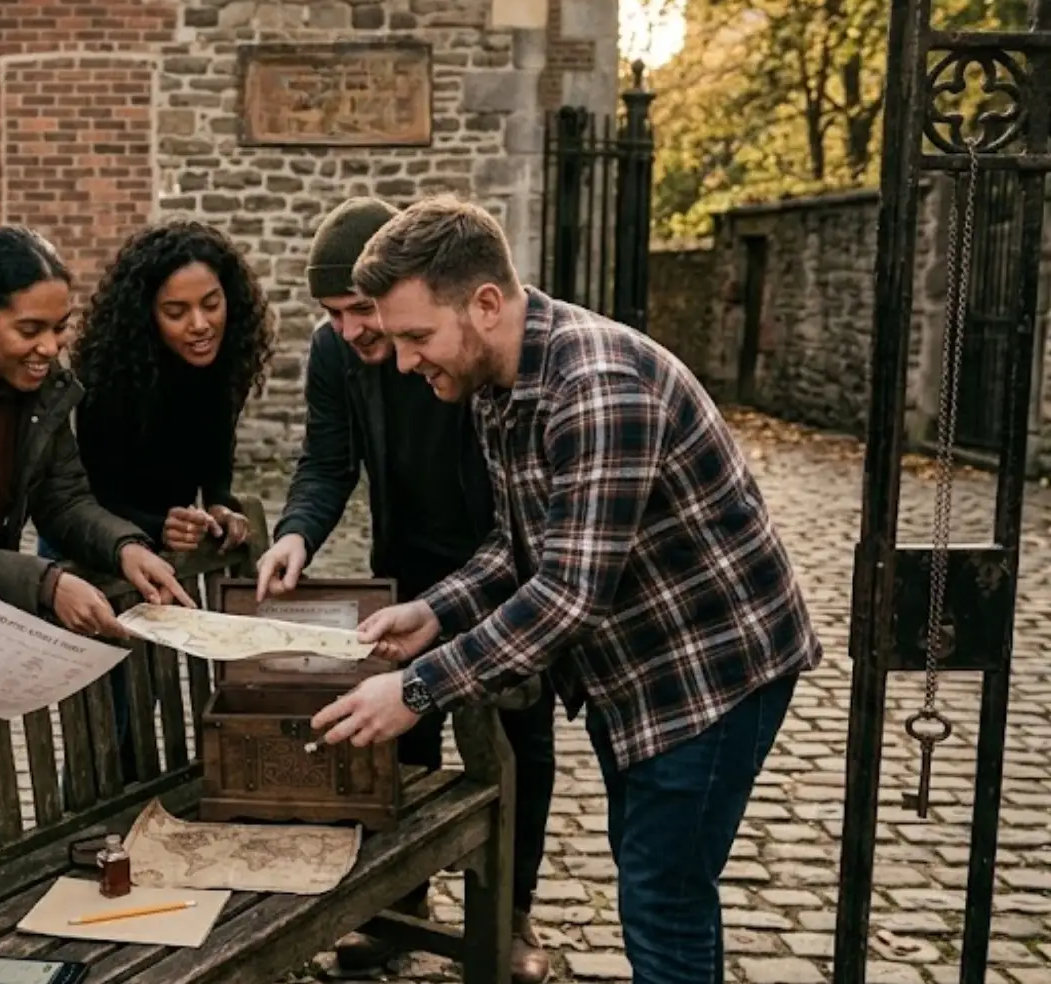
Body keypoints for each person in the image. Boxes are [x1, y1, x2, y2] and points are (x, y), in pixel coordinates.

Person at [310, 195, 822, 984]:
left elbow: (568, 595)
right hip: (642, 666)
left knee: (664, 897)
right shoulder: (495, 382)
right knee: (655, 878)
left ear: (485, 303)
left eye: (417, 336)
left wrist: (416, 689)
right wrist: (432, 610)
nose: (405, 361)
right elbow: (520, 543)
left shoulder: (598, 386)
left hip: (715, 668)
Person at [254, 198, 555, 982]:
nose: (355, 331)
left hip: (501, 568)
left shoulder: (458, 340)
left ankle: (510, 915)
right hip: (408, 570)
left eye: (364, 312)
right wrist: (295, 534)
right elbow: (327, 463)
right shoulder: (335, 354)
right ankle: (402, 906)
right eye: (335, 313)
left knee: (516, 746)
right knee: (401, 741)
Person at [0, 224, 196, 874]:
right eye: (30, 330)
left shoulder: (49, 389)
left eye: (61, 327)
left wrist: (124, 547)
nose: (50, 347)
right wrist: (47, 582)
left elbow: (65, 498)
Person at [71, 220, 275, 555]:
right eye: (176, 312)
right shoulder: (108, 380)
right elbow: (97, 498)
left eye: (211, 305)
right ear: (147, 315)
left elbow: (216, 463)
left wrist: (219, 506)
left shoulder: (226, 362)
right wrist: (160, 527)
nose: (200, 325)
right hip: (93, 545)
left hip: (173, 545)